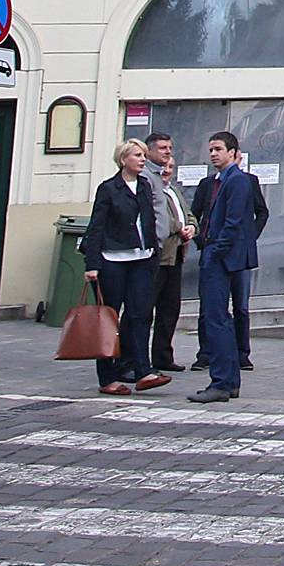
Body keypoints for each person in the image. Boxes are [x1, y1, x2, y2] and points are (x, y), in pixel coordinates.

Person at [81, 139, 168, 397]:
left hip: (142, 258)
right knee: (110, 318)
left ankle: (143, 370)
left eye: (143, 155)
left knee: (140, 314)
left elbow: (150, 220)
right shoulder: (109, 189)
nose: (142, 159)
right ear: (123, 159)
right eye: (137, 155)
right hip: (113, 259)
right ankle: (107, 376)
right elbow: (96, 227)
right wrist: (92, 264)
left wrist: (153, 250)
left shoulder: (145, 185)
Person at [188, 131, 258, 404]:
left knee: (217, 320)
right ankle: (227, 381)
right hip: (217, 254)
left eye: (218, 149)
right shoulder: (220, 180)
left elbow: (234, 221)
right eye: (211, 150)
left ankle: (222, 381)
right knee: (219, 320)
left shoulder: (237, 181)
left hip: (220, 257)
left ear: (233, 152)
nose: (213, 154)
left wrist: (214, 249)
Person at [141, 132, 194, 373]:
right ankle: (137, 359)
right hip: (158, 255)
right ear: (149, 151)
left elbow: (187, 213)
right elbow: (156, 216)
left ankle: (163, 356)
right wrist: (178, 228)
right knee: (145, 308)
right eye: (162, 148)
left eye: (170, 148)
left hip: (176, 255)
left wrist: (191, 225)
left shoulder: (172, 189)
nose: (167, 152)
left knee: (170, 308)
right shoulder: (147, 181)